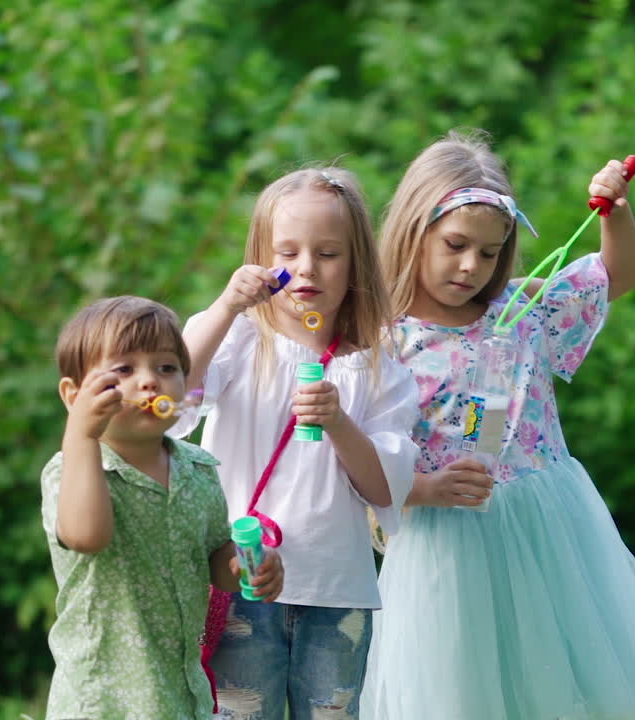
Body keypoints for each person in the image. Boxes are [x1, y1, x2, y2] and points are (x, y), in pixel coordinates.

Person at [362, 131, 635, 719]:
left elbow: (616, 274)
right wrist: (422, 489)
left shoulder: (522, 315)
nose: (472, 265)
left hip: (544, 533)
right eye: (455, 244)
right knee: (460, 692)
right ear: (413, 231)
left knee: (550, 690)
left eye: (490, 252)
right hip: (446, 543)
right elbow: (361, 462)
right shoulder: (383, 343)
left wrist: (615, 214)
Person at [175, 167, 419, 719]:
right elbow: (171, 398)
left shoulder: (379, 366)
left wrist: (339, 423)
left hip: (337, 591)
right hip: (241, 578)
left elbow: (385, 486)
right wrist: (225, 307)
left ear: (357, 262)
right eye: (287, 252)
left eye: (328, 253)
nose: (306, 267)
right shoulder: (239, 339)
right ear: (261, 258)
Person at [41, 295, 283, 719]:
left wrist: (248, 565)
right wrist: (80, 434)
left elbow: (213, 556)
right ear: (74, 395)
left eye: (166, 368)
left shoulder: (198, 469)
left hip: (181, 692)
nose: (150, 382)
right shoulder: (73, 468)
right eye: (124, 369)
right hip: (103, 698)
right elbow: (86, 535)